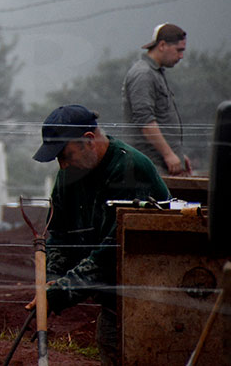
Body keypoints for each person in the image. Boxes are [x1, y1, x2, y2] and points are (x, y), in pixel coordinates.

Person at [28, 104, 170, 365]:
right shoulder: (68, 177)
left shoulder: (130, 168)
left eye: (65, 155)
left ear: (88, 141)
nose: (62, 165)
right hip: (112, 302)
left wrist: (61, 293)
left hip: (153, 300)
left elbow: (112, 252)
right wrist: (53, 278)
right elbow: (60, 233)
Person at [122, 23, 191, 176]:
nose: (181, 56)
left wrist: (177, 154)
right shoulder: (143, 74)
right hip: (150, 166)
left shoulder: (155, 73)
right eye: (178, 50)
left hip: (161, 165)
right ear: (162, 45)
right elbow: (145, 121)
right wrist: (168, 154)